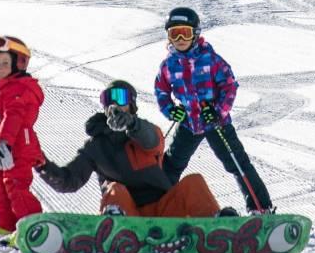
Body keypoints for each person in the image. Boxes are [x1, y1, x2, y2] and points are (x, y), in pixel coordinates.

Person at [36, 80, 229, 218]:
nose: (115, 105)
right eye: (108, 100)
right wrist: (41, 164)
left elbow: (153, 141)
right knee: (114, 188)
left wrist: (131, 124)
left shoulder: (145, 132)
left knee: (194, 181)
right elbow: (69, 181)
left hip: (164, 209)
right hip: (128, 211)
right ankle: (115, 223)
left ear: (132, 105)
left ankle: (217, 226)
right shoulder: (95, 147)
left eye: (121, 98)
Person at [154, 6, 274, 213]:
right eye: (174, 33)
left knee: (237, 163)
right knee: (171, 167)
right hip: (189, 124)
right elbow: (161, 90)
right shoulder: (168, 65)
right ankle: (160, 209)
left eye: (185, 32)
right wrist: (171, 110)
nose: (180, 38)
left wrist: (219, 111)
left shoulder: (211, 60)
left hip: (215, 123)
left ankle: (260, 208)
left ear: (196, 34)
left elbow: (229, 85)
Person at [0, 34, 44, 237]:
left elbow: (14, 117)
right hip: (7, 149)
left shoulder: (19, 90)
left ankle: (34, 228)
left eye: (4, 63)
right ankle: (8, 227)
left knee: (16, 188)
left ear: (19, 64)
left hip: (19, 148)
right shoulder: (6, 88)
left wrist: (5, 143)